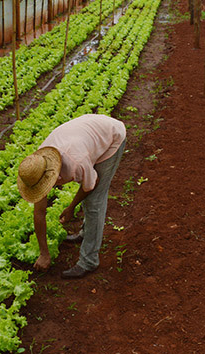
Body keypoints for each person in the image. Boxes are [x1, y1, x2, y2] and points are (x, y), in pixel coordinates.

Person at [17, 114, 126, 278]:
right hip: (86, 134)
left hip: (111, 136)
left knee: (94, 201)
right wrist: (44, 253)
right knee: (89, 197)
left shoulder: (76, 162)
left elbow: (90, 185)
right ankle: (85, 232)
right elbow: (39, 213)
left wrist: (71, 207)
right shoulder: (37, 165)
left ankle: (89, 261)